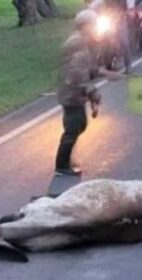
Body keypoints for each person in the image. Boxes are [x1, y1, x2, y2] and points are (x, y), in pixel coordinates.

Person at [55, 10, 103, 175]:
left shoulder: (81, 41)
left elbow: (85, 67)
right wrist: (91, 91)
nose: (96, 28)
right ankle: (61, 165)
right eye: (94, 24)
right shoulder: (77, 43)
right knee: (73, 127)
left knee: (79, 124)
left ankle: (65, 161)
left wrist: (100, 72)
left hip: (73, 92)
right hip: (71, 92)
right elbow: (77, 73)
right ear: (86, 25)